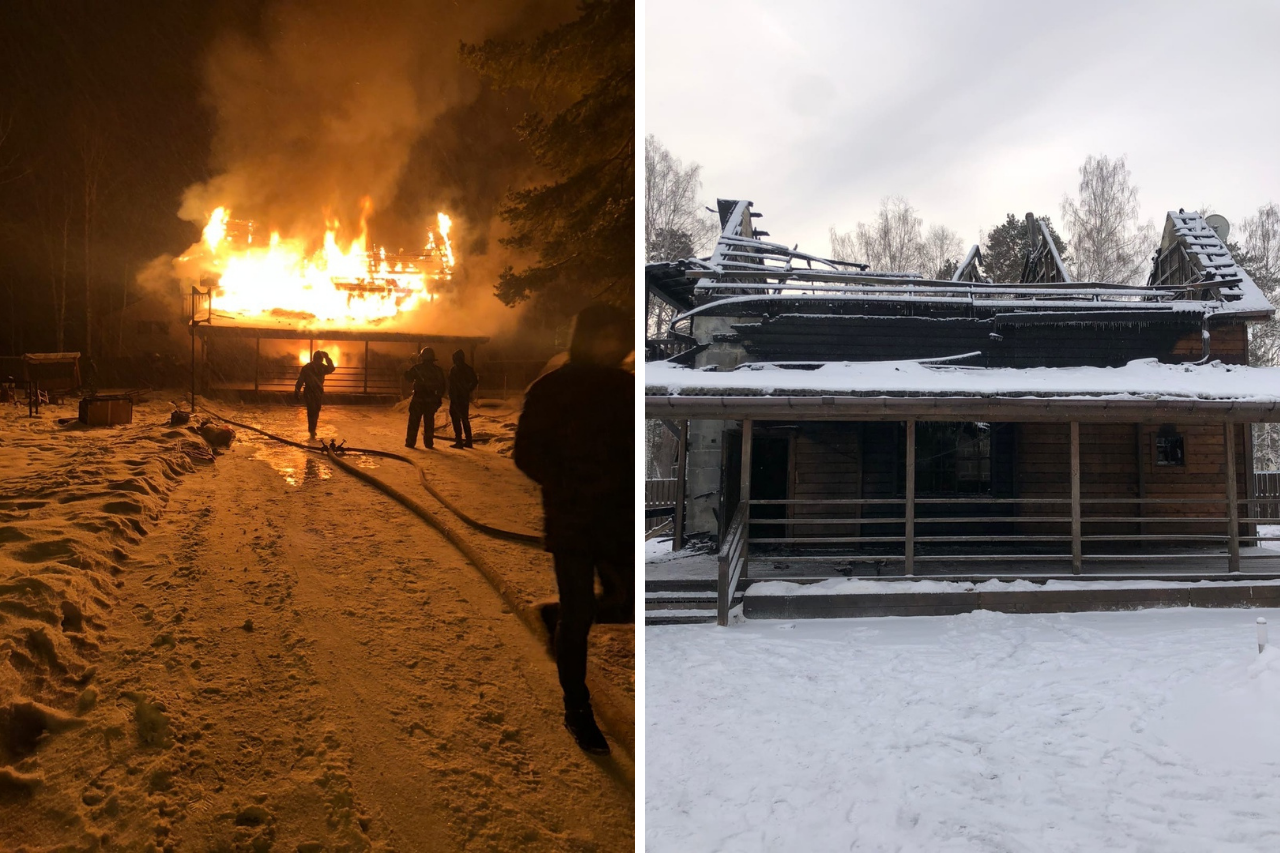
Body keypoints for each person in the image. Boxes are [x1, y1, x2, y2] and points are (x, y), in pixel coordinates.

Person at [514, 303, 633, 755]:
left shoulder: (626, 388)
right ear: (584, 337)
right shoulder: (552, 388)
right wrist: (568, 483)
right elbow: (527, 452)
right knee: (580, 613)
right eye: (600, 336)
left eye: (615, 336)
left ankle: (556, 619)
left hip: (617, 520)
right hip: (573, 520)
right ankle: (577, 707)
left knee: (626, 606)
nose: (608, 345)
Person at [404, 347, 446, 448]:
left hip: (418, 399)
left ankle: (410, 442)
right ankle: (428, 443)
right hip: (431, 400)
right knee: (429, 422)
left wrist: (406, 371)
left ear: (422, 357)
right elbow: (442, 386)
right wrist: (438, 398)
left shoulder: (417, 368)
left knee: (414, 422)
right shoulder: (437, 370)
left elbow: (409, 378)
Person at [294, 350, 335, 439]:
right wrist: (327, 358)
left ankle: (311, 429)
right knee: (316, 410)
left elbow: (300, 380)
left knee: (311, 410)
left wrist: (297, 391)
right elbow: (332, 368)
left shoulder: (306, 367)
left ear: (313, 358)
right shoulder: (322, 367)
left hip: (308, 391)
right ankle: (313, 429)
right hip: (317, 392)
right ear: (321, 359)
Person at [447, 349, 479, 449]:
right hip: (462, 398)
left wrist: (464, 390)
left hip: (457, 398)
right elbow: (474, 381)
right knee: (464, 419)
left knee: (457, 419)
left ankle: (459, 441)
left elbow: (451, 384)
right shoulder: (467, 369)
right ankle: (468, 441)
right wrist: (467, 390)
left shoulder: (455, 369)